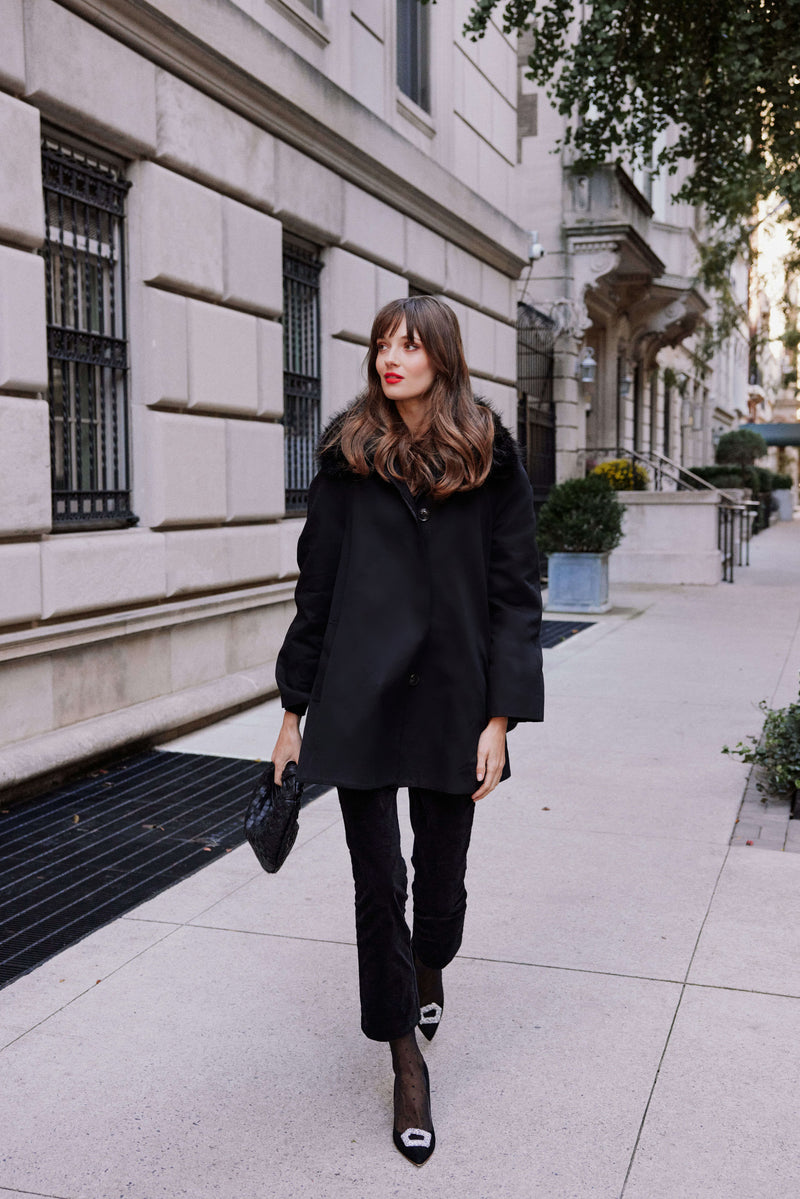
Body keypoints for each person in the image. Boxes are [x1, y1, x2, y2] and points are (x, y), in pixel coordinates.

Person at [271, 295, 543, 1166]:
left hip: (456, 697)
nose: (392, 358)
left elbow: (515, 593)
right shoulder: (348, 455)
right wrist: (291, 709)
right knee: (375, 880)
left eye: (410, 345)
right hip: (361, 695)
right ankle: (404, 1059)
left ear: (442, 359)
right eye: (384, 343)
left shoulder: (491, 455)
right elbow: (317, 588)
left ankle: (431, 966)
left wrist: (501, 716)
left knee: (442, 880)